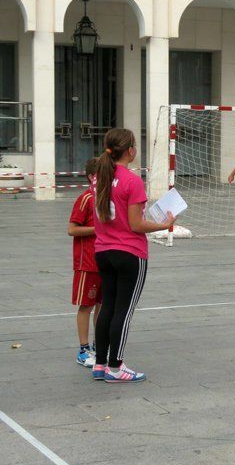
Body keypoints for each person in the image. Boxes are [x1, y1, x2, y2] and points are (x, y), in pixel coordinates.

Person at [92, 129, 176, 383]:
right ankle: (116, 367)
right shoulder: (132, 181)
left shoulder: (99, 177)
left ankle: (100, 364)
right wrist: (165, 224)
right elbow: (136, 225)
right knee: (124, 311)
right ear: (130, 151)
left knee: (108, 307)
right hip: (129, 252)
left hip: (103, 250)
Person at [67, 157, 101, 368]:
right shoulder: (86, 198)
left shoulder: (106, 198)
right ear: (92, 177)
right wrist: (96, 230)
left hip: (105, 260)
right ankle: (83, 348)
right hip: (87, 263)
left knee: (102, 306)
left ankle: (99, 345)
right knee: (86, 305)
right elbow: (72, 229)